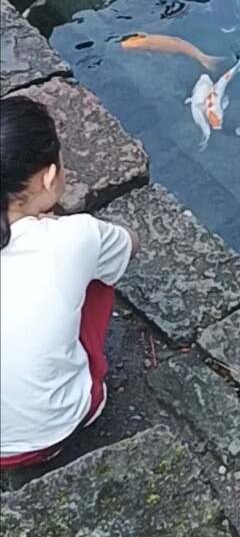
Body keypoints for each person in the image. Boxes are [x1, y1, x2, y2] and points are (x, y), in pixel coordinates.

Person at [0, 95, 139, 468]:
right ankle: (86, 386)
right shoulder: (75, 237)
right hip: (40, 438)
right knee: (98, 269)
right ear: (48, 176)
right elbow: (130, 244)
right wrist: (64, 231)